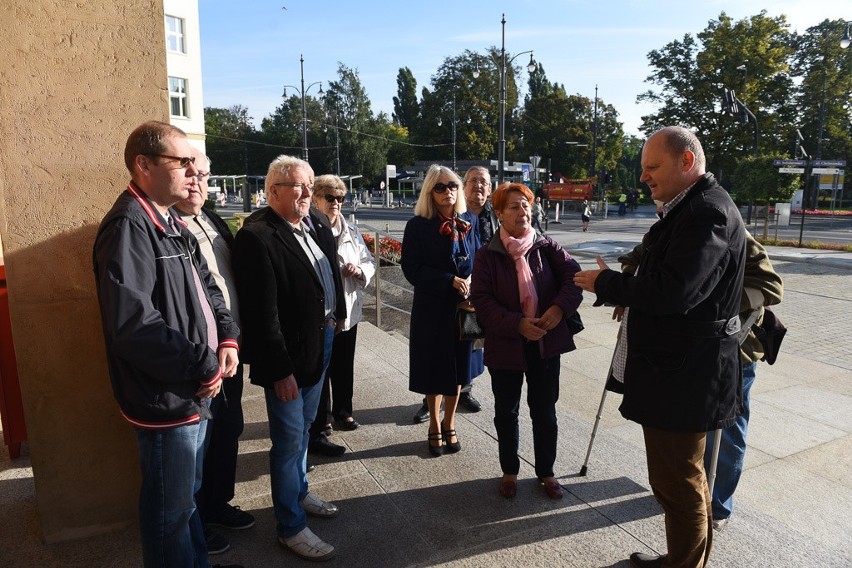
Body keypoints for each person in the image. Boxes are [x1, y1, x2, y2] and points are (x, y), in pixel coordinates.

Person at [574, 126, 746, 568]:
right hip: (676, 373)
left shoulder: (706, 213)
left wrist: (610, 284)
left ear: (686, 162)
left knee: (681, 480)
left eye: (652, 167)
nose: (644, 177)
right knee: (673, 478)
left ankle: (685, 564)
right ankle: (680, 558)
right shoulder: (688, 208)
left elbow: (674, 293)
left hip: (687, 378)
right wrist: (625, 290)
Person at [92, 121, 241, 568]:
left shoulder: (170, 219)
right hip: (168, 399)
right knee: (169, 515)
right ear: (144, 165)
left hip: (194, 389)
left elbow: (208, 289)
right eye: (183, 162)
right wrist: (203, 364)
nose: (195, 172)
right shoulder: (128, 227)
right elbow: (133, 325)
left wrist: (227, 336)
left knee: (186, 502)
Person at [615, 230, 783, 532]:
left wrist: (717, 301)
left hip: (735, 351)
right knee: (690, 429)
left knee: (727, 432)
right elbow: (633, 260)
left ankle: (717, 506)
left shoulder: (725, 226)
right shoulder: (667, 228)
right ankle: (693, 496)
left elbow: (771, 286)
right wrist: (631, 289)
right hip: (693, 350)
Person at [233, 155, 345, 562]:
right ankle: (291, 526)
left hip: (321, 342)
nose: (306, 193)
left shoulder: (313, 222)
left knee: (303, 432)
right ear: (273, 190)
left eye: (309, 185)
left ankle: (298, 493)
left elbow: (328, 270)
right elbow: (263, 316)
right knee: (287, 441)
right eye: (297, 185)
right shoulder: (258, 236)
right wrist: (280, 370)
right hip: (288, 359)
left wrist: (338, 318)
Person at [470, 183, 583, 500]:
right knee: (506, 411)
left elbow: (573, 278)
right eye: (514, 207)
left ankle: (546, 471)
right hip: (506, 344)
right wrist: (517, 324)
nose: (523, 212)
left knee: (545, 411)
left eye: (526, 205)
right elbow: (482, 301)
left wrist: (559, 309)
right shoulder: (487, 255)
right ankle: (509, 471)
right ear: (499, 214)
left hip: (546, 344)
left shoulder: (547, 246)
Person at [174, 150, 255, 556]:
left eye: (206, 177)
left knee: (229, 429)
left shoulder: (210, 218)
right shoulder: (168, 226)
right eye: (193, 176)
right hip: (201, 357)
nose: (200, 185)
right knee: (201, 443)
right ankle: (199, 521)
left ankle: (218, 504)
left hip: (230, 348)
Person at [401, 164, 480, 456]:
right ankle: (434, 424)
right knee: (434, 371)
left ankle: (450, 423)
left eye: (453, 186)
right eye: (440, 187)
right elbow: (411, 268)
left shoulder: (468, 221)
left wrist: (472, 281)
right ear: (430, 193)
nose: (448, 191)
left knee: (459, 371)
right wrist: (449, 280)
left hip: (464, 309)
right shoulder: (418, 226)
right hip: (432, 310)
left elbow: (479, 260)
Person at [310, 174, 375, 431]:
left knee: (344, 363)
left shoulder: (352, 231)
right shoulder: (309, 230)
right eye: (329, 197)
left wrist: (358, 270)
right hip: (321, 311)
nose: (336, 202)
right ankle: (322, 417)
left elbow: (368, 262)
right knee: (321, 367)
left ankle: (343, 411)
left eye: (340, 198)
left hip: (347, 308)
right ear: (316, 199)